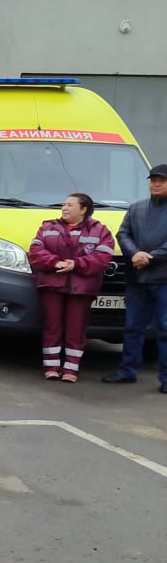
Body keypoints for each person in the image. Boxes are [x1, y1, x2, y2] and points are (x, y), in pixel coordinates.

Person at [27, 193, 114, 382]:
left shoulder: (99, 230)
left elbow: (103, 257)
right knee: (52, 326)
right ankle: (51, 367)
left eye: (70, 205)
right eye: (64, 204)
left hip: (81, 289)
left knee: (76, 329)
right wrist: (55, 262)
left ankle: (71, 370)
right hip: (52, 285)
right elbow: (35, 251)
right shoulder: (48, 227)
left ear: (84, 209)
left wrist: (77, 264)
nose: (65, 208)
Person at [102, 164, 167, 394]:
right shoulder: (136, 208)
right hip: (137, 278)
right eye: (153, 180)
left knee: (165, 329)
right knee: (132, 327)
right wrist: (135, 253)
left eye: (162, 180)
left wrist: (150, 257)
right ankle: (127, 370)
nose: (156, 184)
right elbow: (123, 233)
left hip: (163, 280)